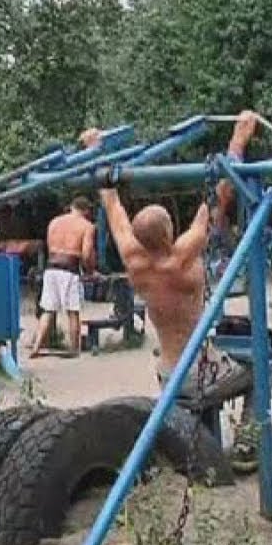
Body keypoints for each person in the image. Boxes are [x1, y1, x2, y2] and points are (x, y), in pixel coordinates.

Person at [90, 110, 260, 401]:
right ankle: (251, 437)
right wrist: (239, 139)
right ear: (169, 233)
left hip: (167, 373)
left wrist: (94, 149)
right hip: (198, 372)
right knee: (262, 370)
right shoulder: (181, 257)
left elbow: (112, 205)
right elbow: (218, 198)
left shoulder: (133, 258)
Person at [29, 196, 96, 357]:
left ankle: (37, 346)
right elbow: (86, 254)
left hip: (51, 268)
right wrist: (89, 270)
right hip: (70, 268)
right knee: (73, 311)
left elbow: (50, 246)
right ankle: (74, 349)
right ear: (86, 211)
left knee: (48, 310)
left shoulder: (54, 222)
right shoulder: (87, 226)